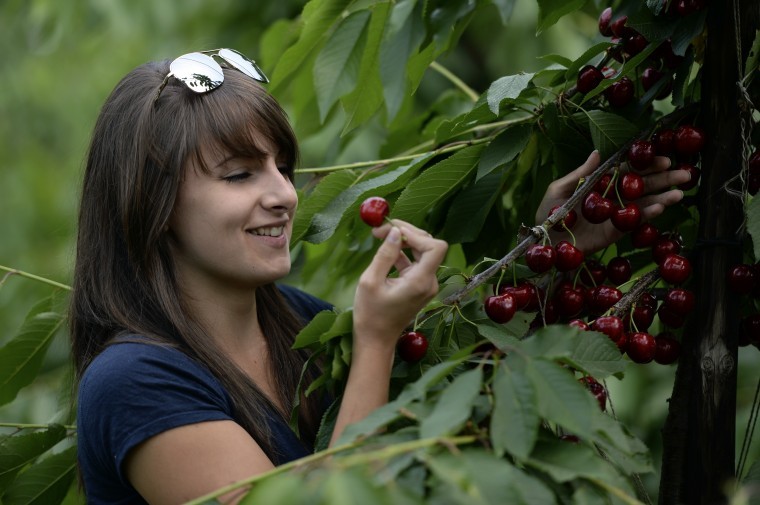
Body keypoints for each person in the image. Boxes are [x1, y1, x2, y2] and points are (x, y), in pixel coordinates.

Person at [69, 48, 690, 505]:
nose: (284, 194)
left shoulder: (301, 321)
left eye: (283, 167)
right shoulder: (134, 384)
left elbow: (449, 393)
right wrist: (373, 342)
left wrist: (549, 252)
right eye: (239, 174)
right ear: (151, 201)